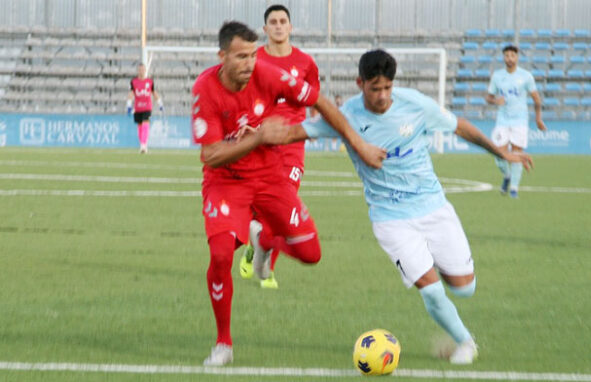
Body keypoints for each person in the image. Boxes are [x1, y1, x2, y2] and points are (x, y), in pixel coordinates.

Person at [278, 49, 533, 364]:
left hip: (434, 208)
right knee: (430, 289)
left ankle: (437, 265)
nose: (383, 96)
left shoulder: (415, 104)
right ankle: (465, 342)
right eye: (375, 89)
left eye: (387, 88)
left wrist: (500, 153)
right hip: (390, 218)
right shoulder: (345, 117)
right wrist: (252, 135)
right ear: (360, 83)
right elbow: (294, 132)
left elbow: (460, 126)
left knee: (464, 289)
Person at [192, 21, 385, 366]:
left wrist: (360, 144)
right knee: (221, 254)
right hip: (226, 182)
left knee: (311, 254)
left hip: (270, 177)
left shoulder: (269, 75)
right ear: (222, 56)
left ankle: (266, 240)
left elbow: (320, 103)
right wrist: (257, 138)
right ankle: (223, 343)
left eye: (252, 54)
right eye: (240, 56)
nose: (249, 63)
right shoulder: (205, 88)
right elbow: (210, 155)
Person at [238, 4, 321, 289]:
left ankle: (268, 269)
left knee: (284, 209)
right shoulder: (253, 60)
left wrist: (317, 127)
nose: (278, 25)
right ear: (265, 29)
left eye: (282, 21)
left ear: (290, 27)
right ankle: (256, 245)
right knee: (259, 208)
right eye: (272, 21)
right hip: (260, 140)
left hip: (292, 145)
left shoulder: (306, 63)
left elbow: (314, 102)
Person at [485, 45, 546, 198]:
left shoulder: (526, 76)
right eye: (507, 56)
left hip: (520, 120)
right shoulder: (498, 76)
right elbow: (488, 97)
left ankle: (513, 189)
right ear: (503, 57)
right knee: (499, 155)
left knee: (517, 153)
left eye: (512, 55)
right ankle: (507, 176)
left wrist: (538, 119)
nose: (510, 58)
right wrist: (495, 101)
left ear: (517, 57)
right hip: (502, 121)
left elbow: (536, 99)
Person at [126, 63, 163, 154]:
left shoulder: (150, 82)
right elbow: (131, 93)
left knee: (145, 122)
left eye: (143, 70)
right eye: (140, 70)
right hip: (138, 107)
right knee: (140, 126)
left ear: (145, 70)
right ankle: (142, 144)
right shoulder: (133, 81)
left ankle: (143, 145)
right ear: (138, 71)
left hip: (147, 107)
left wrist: (160, 103)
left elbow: (154, 93)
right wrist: (129, 104)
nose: (141, 71)